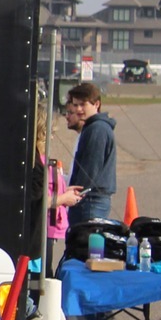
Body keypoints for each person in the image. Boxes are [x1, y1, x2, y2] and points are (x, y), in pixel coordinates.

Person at [56, 82, 116, 225]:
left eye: (83, 104)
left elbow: (90, 169)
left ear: (96, 104)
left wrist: (74, 194)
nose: (79, 109)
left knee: (84, 243)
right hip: (90, 200)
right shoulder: (92, 128)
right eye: (76, 105)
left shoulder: (97, 129)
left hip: (91, 201)